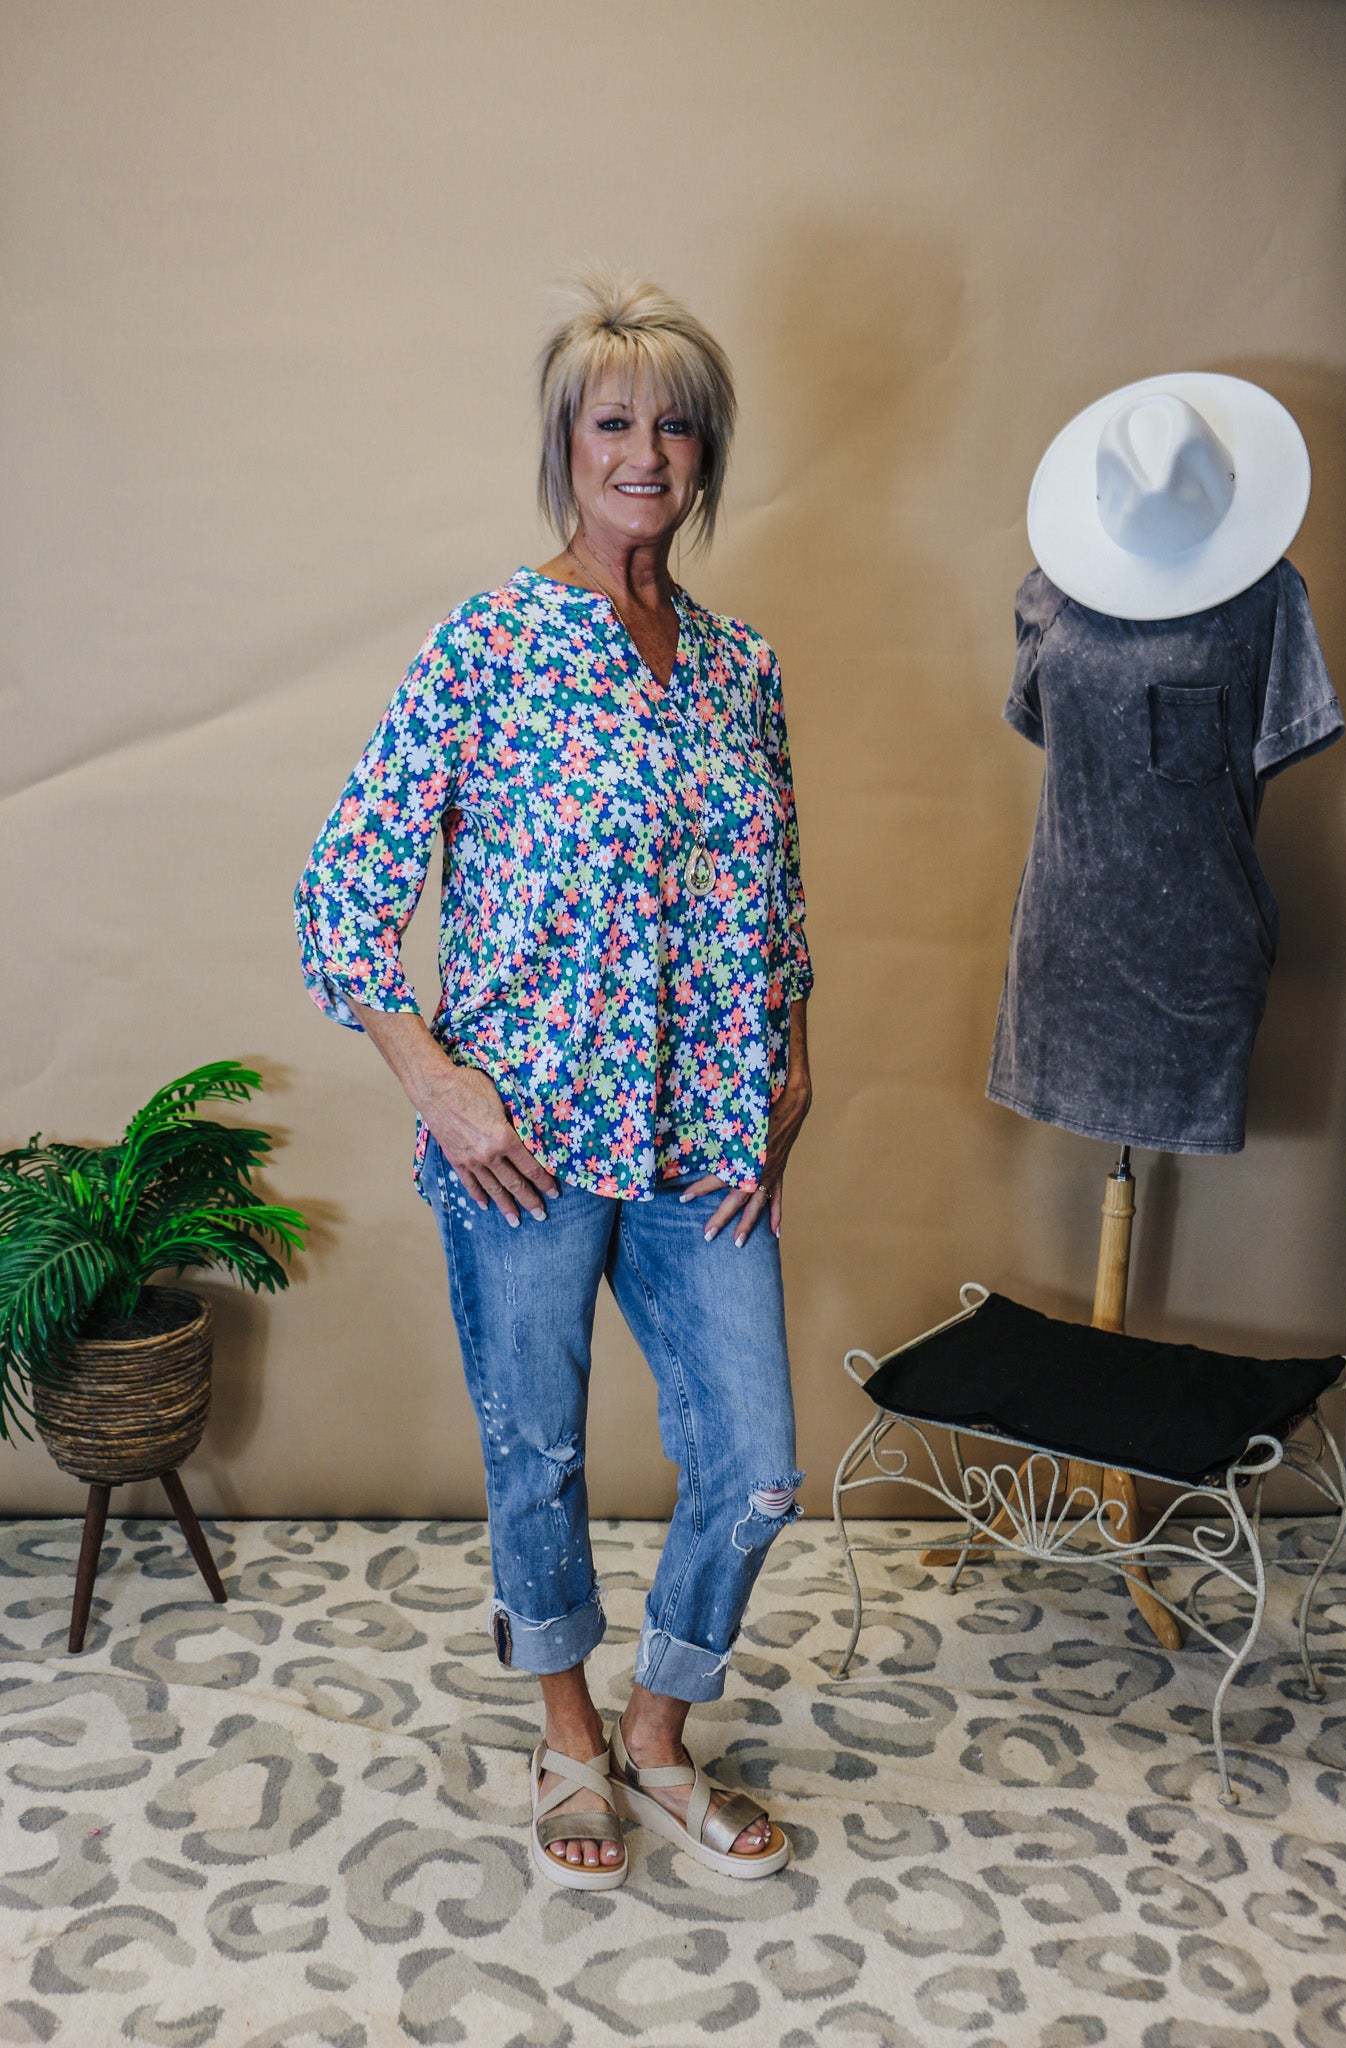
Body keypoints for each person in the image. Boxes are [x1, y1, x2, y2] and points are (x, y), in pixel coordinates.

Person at [294, 272, 814, 1889]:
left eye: (677, 426)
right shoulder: (490, 643)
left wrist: (794, 1056)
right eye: (613, 422)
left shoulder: (740, 666)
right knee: (538, 1455)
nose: (645, 452)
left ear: (707, 454)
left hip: (702, 1133)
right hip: (521, 1139)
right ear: (565, 447)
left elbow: (778, 891)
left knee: (756, 1468)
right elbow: (340, 890)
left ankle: (657, 1736)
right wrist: (434, 1080)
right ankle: (568, 1737)